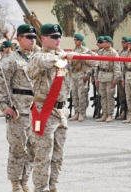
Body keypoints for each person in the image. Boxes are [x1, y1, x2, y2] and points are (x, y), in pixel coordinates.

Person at [27, 23, 78, 192]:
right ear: (43, 39)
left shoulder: (61, 57)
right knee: (43, 156)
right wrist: (62, 56)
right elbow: (42, 62)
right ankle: (40, 189)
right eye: (54, 37)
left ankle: (53, 187)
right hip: (44, 112)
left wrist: (76, 54)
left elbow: (89, 64)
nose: (58, 39)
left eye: (59, 36)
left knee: (57, 156)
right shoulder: (38, 56)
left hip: (61, 112)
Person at [0, 24, 39, 192]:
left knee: (32, 148)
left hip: (36, 110)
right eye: (28, 37)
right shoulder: (11, 59)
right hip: (18, 112)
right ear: (19, 39)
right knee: (17, 148)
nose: (32, 39)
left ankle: (25, 180)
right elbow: (0, 84)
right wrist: (3, 106)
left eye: (34, 37)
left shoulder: (40, 58)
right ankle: (15, 183)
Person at [94, 36, 122, 123]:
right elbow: (96, 65)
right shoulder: (100, 52)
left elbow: (117, 67)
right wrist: (96, 77)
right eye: (104, 42)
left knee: (110, 96)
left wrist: (115, 79)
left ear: (110, 43)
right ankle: (104, 113)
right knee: (103, 96)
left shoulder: (113, 53)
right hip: (101, 76)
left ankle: (110, 114)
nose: (105, 44)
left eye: (106, 42)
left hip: (110, 76)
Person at [68, 33, 94, 122]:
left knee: (81, 95)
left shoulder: (86, 51)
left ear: (81, 41)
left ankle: (82, 113)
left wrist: (87, 74)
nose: (75, 41)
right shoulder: (73, 50)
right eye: (74, 40)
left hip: (82, 75)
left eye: (77, 40)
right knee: (74, 95)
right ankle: (77, 112)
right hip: (74, 75)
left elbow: (90, 64)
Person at [117, 36, 131, 120]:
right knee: (121, 95)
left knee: (129, 95)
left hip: (128, 75)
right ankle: (123, 111)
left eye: (124, 42)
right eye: (122, 42)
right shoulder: (120, 52)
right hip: (120, 76)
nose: (123, 44)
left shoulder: (130, 52)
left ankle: (129, 112)